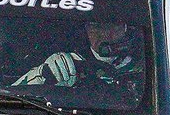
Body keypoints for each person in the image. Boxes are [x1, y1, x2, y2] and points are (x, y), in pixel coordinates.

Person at [15, 21, 144, 93]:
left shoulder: (147, 63)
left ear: (126, 29)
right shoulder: (69, 64)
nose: (104, 34)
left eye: (112, 25)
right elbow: (13, 95)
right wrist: (41, 75)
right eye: (95, 26)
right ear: (86, 30)